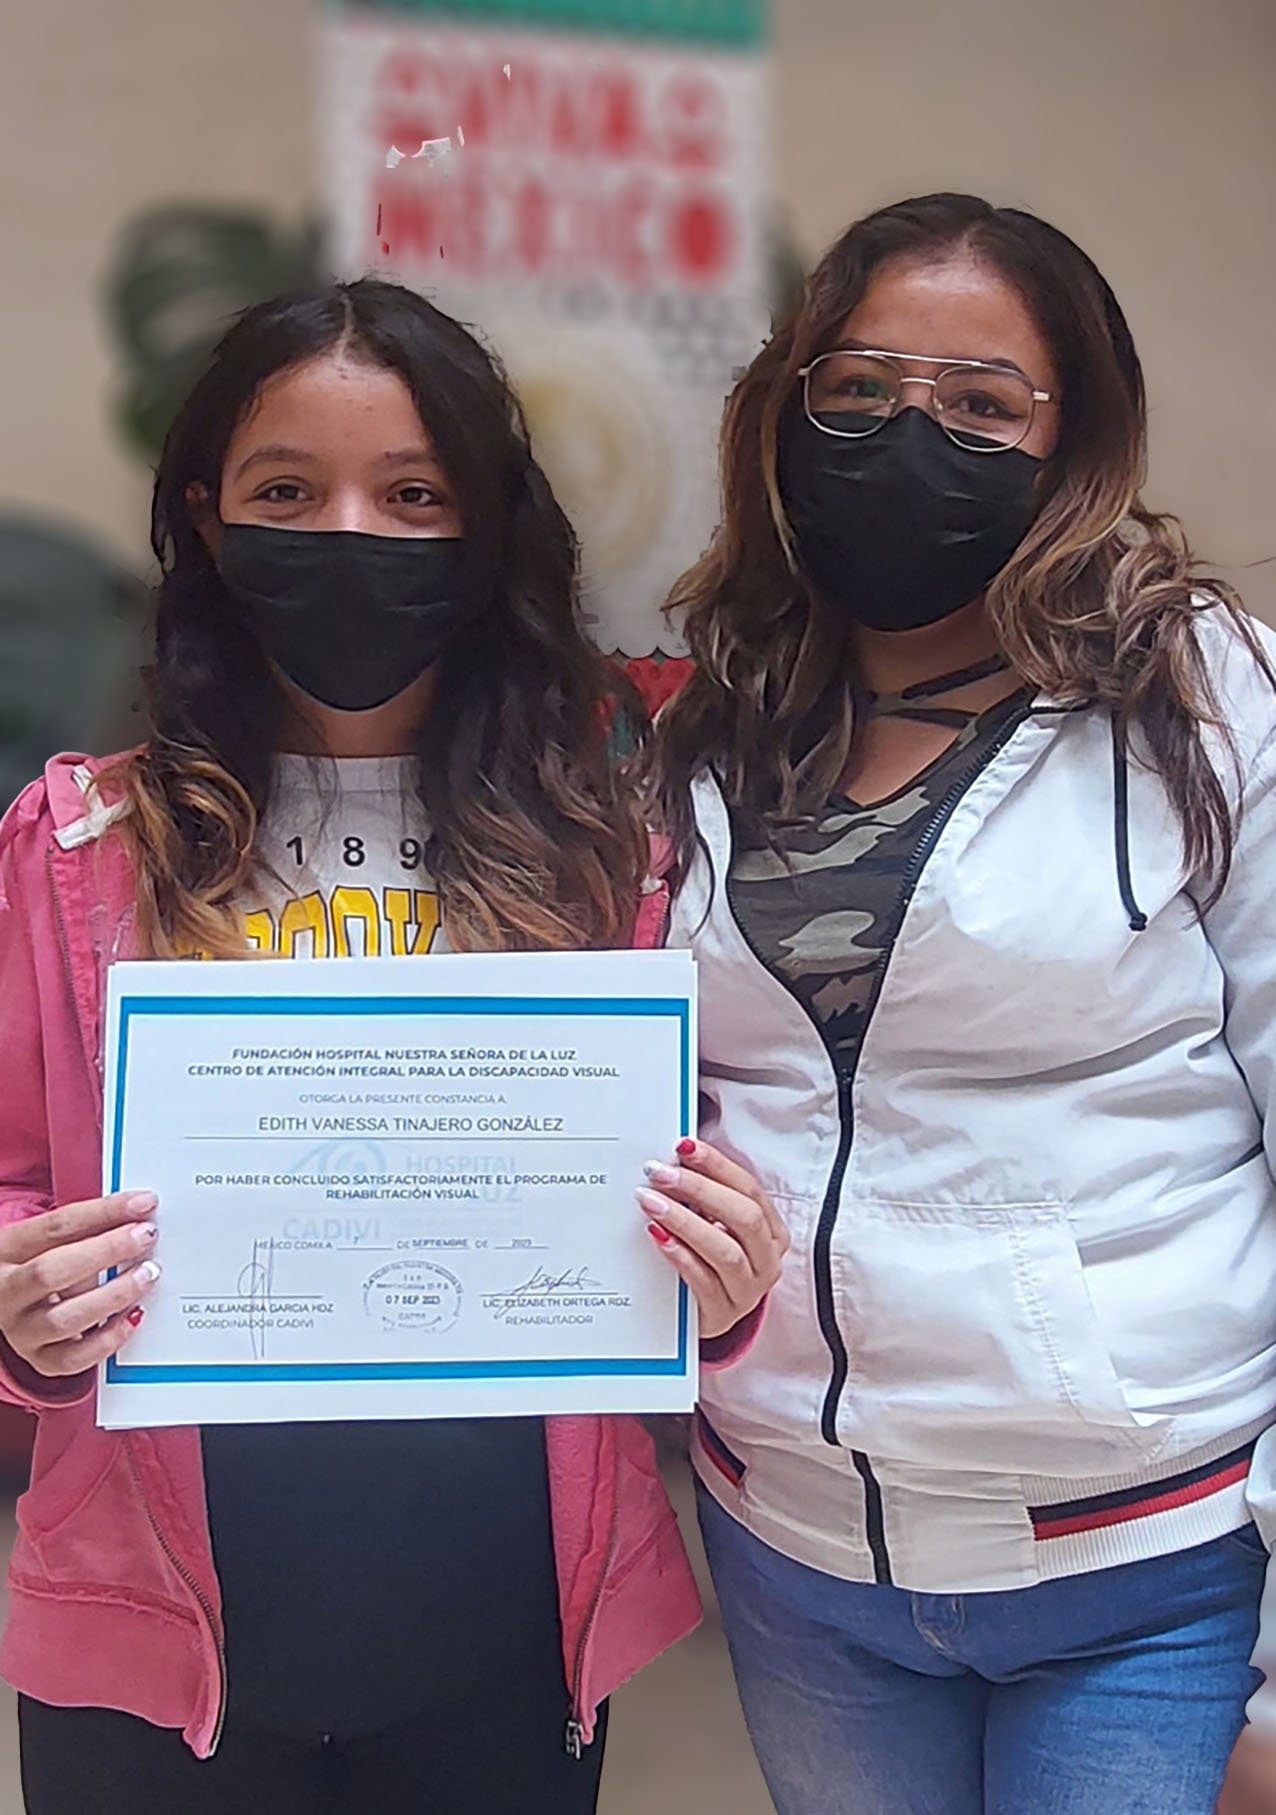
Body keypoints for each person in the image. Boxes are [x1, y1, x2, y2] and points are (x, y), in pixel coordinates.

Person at [0, 278, 786, 1815]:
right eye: (288, 489)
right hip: (158, 1627)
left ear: (489, 531)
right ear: (205, 521)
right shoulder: (79, 845)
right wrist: (20, 1299)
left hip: (507, 1623)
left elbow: (697, 1188)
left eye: (413, 493)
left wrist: (728, 1277)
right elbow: (14, 1179)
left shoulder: (612, 858)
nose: (349, 530)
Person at [647, 191, 1276, 1814]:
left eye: (982, 404)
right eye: (856, 392)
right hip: (792, 1542)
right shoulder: (720, 723)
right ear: (782, 414)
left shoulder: (1200, 702)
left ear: (1075, 445)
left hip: (1145, 1560)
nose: (907, 437)